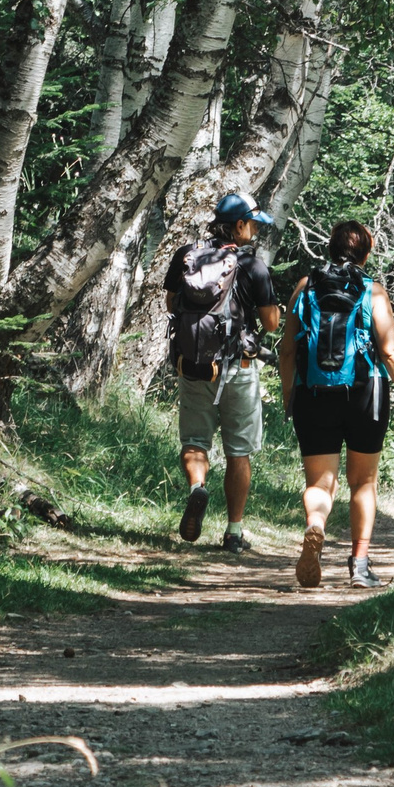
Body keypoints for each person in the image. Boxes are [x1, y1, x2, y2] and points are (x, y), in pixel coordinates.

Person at [278, 221, 394, 589]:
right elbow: (390, 352)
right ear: (367, 252)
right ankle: (359, 565)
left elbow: (288, 349)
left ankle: (316, 523)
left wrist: (288, 392)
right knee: (363, 482)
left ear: (330, 248)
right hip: (365, 394)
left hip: (313, 392)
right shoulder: (372, 291)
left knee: (320, 482)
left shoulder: (304, 287)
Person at [165, 191, 282, 552]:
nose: (255, 233)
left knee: (195, 441)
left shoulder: (187, 255)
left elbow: (171, 302)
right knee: (238, 451)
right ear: (240, 225)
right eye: (252, 226)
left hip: (195, 366)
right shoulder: (253, 266)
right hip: (238, 369)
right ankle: (233, 532)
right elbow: (272, 324)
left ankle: (198, 487)